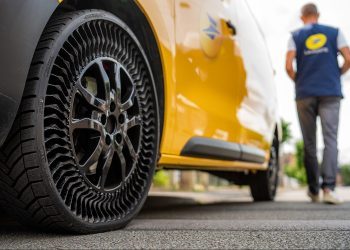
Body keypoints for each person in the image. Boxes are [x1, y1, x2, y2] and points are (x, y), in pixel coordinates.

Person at [285, 3, 350, 204]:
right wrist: (336, 74)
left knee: (309, 142)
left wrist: (300, 79)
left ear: (302, 17)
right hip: (330, 91)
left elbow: (288, 66)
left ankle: (313, 190)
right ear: (317, 15)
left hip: (305, 93)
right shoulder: (334, 32)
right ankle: (328, 188)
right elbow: (348, 58)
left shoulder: (295, 36)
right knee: (330, 139)